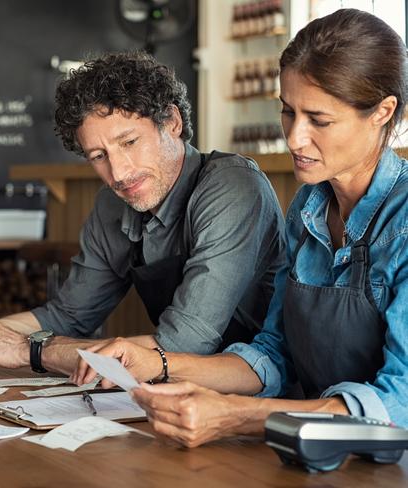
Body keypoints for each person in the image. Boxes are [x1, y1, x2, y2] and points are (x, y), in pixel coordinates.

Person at [73, 9, 408, 446]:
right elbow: (274, 354)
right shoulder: (308, 208)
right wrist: (154, 362)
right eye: (288, 112)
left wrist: (238, 415)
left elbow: (398, 403)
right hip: (315, 450)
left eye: (319, 120)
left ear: (383, 112)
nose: (294, 138)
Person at [0, 51, 286, 375]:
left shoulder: (231, 186)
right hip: (178, 393)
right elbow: (68, 315)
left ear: (172, 123)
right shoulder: (112, 205)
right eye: (98, 156)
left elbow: (184, 344)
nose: (118, 173)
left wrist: (28, 350)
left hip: (261, 393)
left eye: (129, 142)